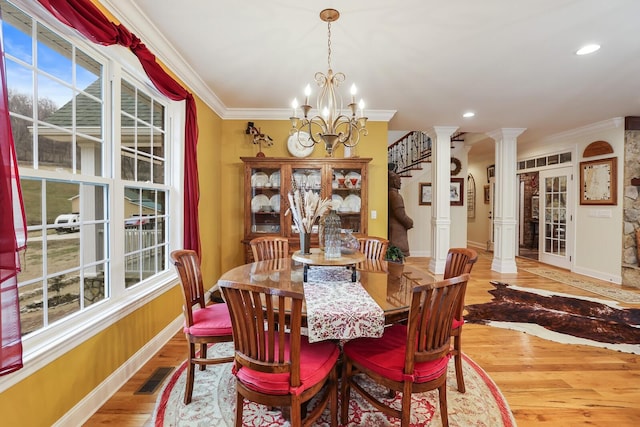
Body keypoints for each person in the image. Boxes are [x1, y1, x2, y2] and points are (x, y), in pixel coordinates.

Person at [388, 169, 414, 257]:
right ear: (393, 182)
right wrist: (410, 222)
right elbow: (400, 214)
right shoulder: (395, 196)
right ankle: (397, 270)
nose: (400, 183)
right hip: (396, 230)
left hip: (393, 228)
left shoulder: (390, 194)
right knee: (397, 253)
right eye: (398, 180)